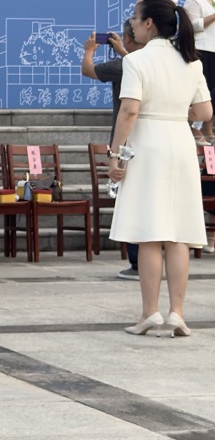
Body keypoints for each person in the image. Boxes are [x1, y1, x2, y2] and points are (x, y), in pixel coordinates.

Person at [108, 0, 212, 337]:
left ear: (149, 23)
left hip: (148, 144)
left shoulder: (137, 60)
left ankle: (149, 312)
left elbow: (129, 111)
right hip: (180, 143)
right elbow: (205, 112)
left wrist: (115, 154)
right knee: (178, 233)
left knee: (150, 234)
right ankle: (177, 313)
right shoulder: (190, 61)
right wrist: (176, 112)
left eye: (136, 18)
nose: (133, 24)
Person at [81, 20, 143, 279]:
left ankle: (137, 262)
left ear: (128, 37)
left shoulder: (124, 65)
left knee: (131, 203)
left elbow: (88, 70)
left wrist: (89, 50)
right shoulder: (158, 62)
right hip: (155, 140)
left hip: (128, 143)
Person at [182, 0, 215, 143]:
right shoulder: (193, 1)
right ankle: (195, 128)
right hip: (202, 51)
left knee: (212, 94)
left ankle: (208, 128)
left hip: (213, 49)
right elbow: (192, 26)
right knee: (203, 92)